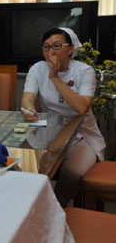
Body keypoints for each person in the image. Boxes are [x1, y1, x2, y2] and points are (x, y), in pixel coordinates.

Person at [21, 27, 106, 207]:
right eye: (46, 47)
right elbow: (27, 99)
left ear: (70, 48)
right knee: (24, 165)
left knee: (73, 173)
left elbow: (81, 107)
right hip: (49, 133)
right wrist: (28, 110)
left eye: (57, 46)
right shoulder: (37, 69)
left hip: (81, 136)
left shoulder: (84, 71)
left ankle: (53, 209)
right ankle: (27, 206)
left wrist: (55, 77)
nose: (50, 52)